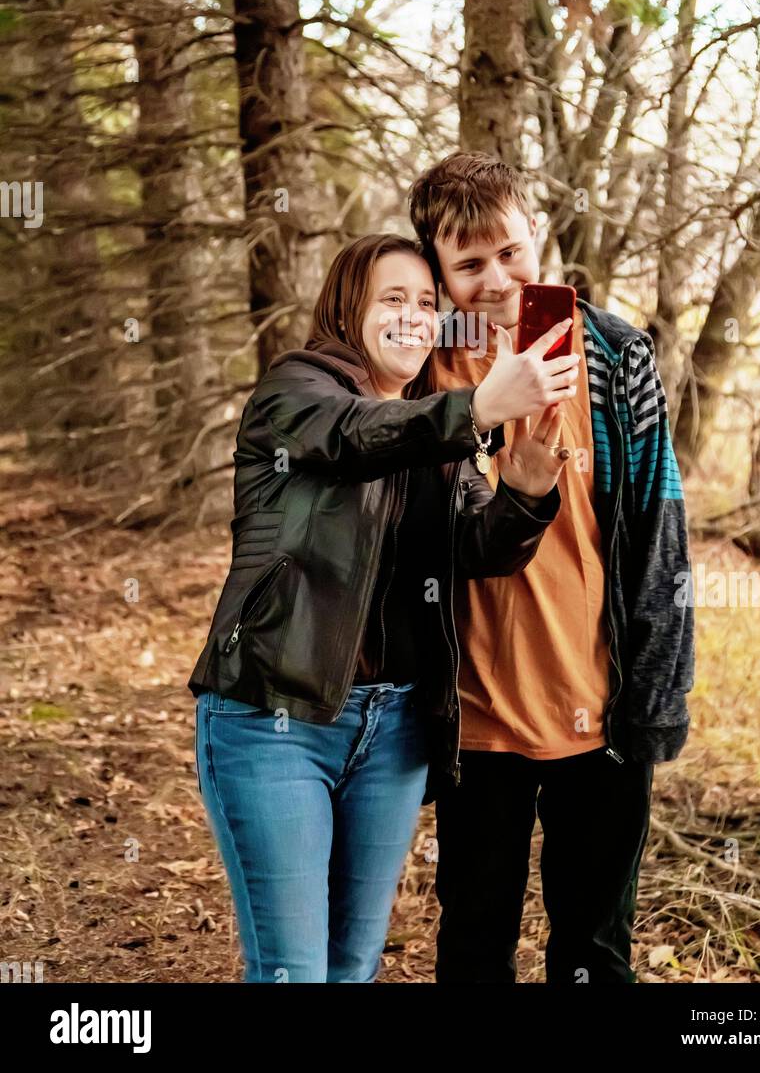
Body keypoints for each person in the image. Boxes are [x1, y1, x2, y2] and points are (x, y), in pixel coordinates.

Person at [187, 231, 580, 983]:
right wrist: (482, 405)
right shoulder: (294, 393)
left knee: (353, 965)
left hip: (393, 729)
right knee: (293, 971)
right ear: (348, 308)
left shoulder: (437, 425)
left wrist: (527, 489)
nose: (413, 314)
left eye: (427, 302)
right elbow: (353, 438)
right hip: (276, 722)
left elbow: (479, 548)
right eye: (391, 299)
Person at [407, 153, 694, 984]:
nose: (495, 279)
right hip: (475, 721)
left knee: (595, 949)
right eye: (467, 264)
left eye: (509, 251)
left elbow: (657, 529)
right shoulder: (423, 370)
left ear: (538, 236)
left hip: (599, 713)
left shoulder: (612, 355)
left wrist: (655, 694)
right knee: (473, 941)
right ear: (438, 271)